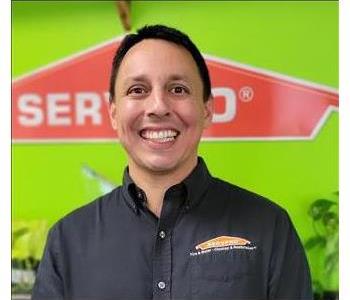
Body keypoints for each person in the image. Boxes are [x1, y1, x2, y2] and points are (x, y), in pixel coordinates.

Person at [32, 24, 312, 300]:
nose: (158, 107)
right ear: (114, 113)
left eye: (178, 89)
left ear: (207, 109)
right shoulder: (67, 241)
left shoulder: (269, 227)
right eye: (137, 90)